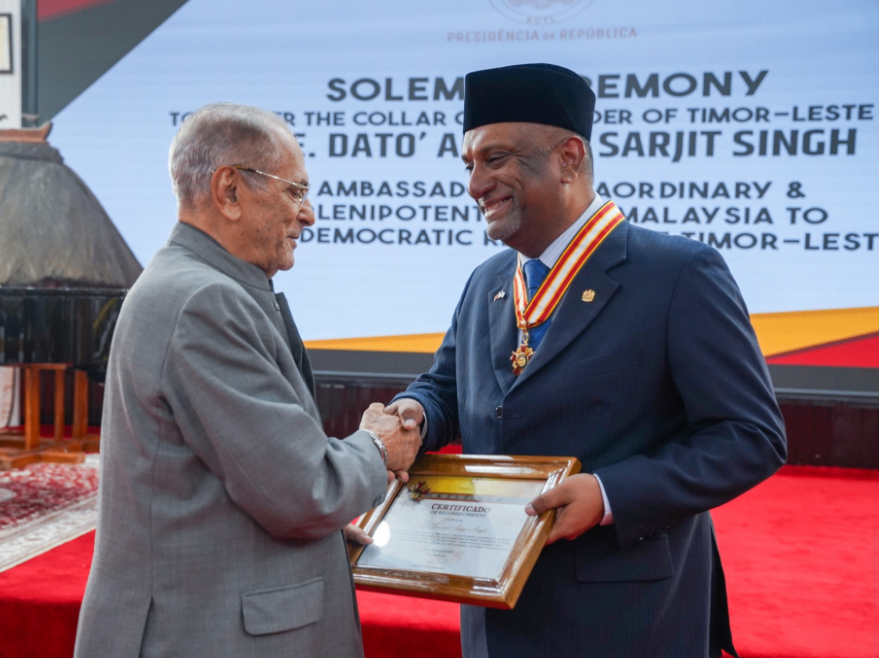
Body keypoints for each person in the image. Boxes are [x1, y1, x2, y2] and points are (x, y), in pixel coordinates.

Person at [386, 64, 787, 658]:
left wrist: (608, 494)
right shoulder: (488, 280)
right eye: (468, 164)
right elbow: (447, 386)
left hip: (626, 621)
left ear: (568, 158)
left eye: (495, 159)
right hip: (493, 607)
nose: (474, 185)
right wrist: (413, 414)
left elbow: (750, 436)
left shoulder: (677, 273)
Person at [75, 103, 421, 658]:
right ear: (230, 190)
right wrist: (378, 447)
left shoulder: (191, 284)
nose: (308, 215)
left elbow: (231, 473)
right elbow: (303, 491)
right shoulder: (204, 301)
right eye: (295, 191)